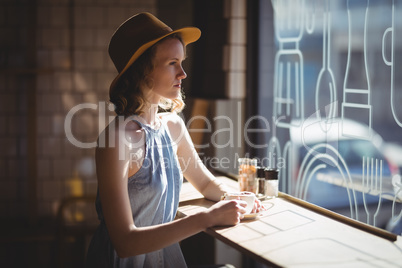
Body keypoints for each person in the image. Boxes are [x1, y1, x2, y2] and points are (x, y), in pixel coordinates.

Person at [85, 12, 263, 268]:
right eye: (172, 63)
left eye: (182, 62)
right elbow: (124, 242)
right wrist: (206, 218)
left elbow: (205, 182)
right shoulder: (116, 141)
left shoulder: (172, 125)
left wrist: (236, 199)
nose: (183, 73)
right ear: (141, 71)